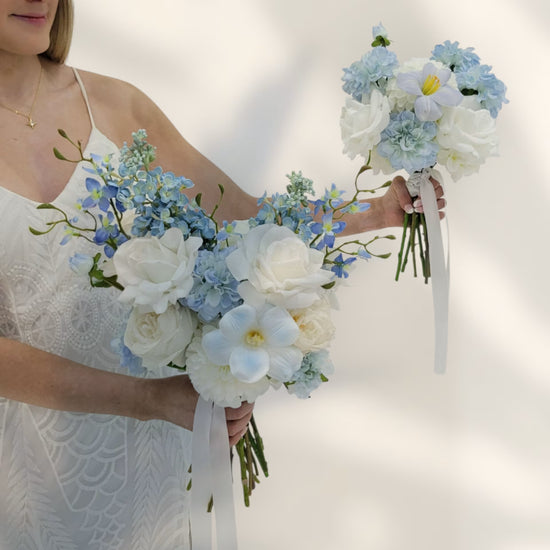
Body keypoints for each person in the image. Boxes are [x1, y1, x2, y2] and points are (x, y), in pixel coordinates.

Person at [0, 1, 445, 548]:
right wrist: (151, 400)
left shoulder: (114, 106)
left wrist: (376, 214)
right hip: (32, 469)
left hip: (156, 455)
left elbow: (238, 214)